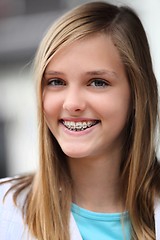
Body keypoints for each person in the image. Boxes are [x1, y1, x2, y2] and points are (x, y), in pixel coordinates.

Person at [0, 1, 160, 239]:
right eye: (56, 82)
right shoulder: (5, 212)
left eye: (97, 82)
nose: (72, 103)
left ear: (138, 94)